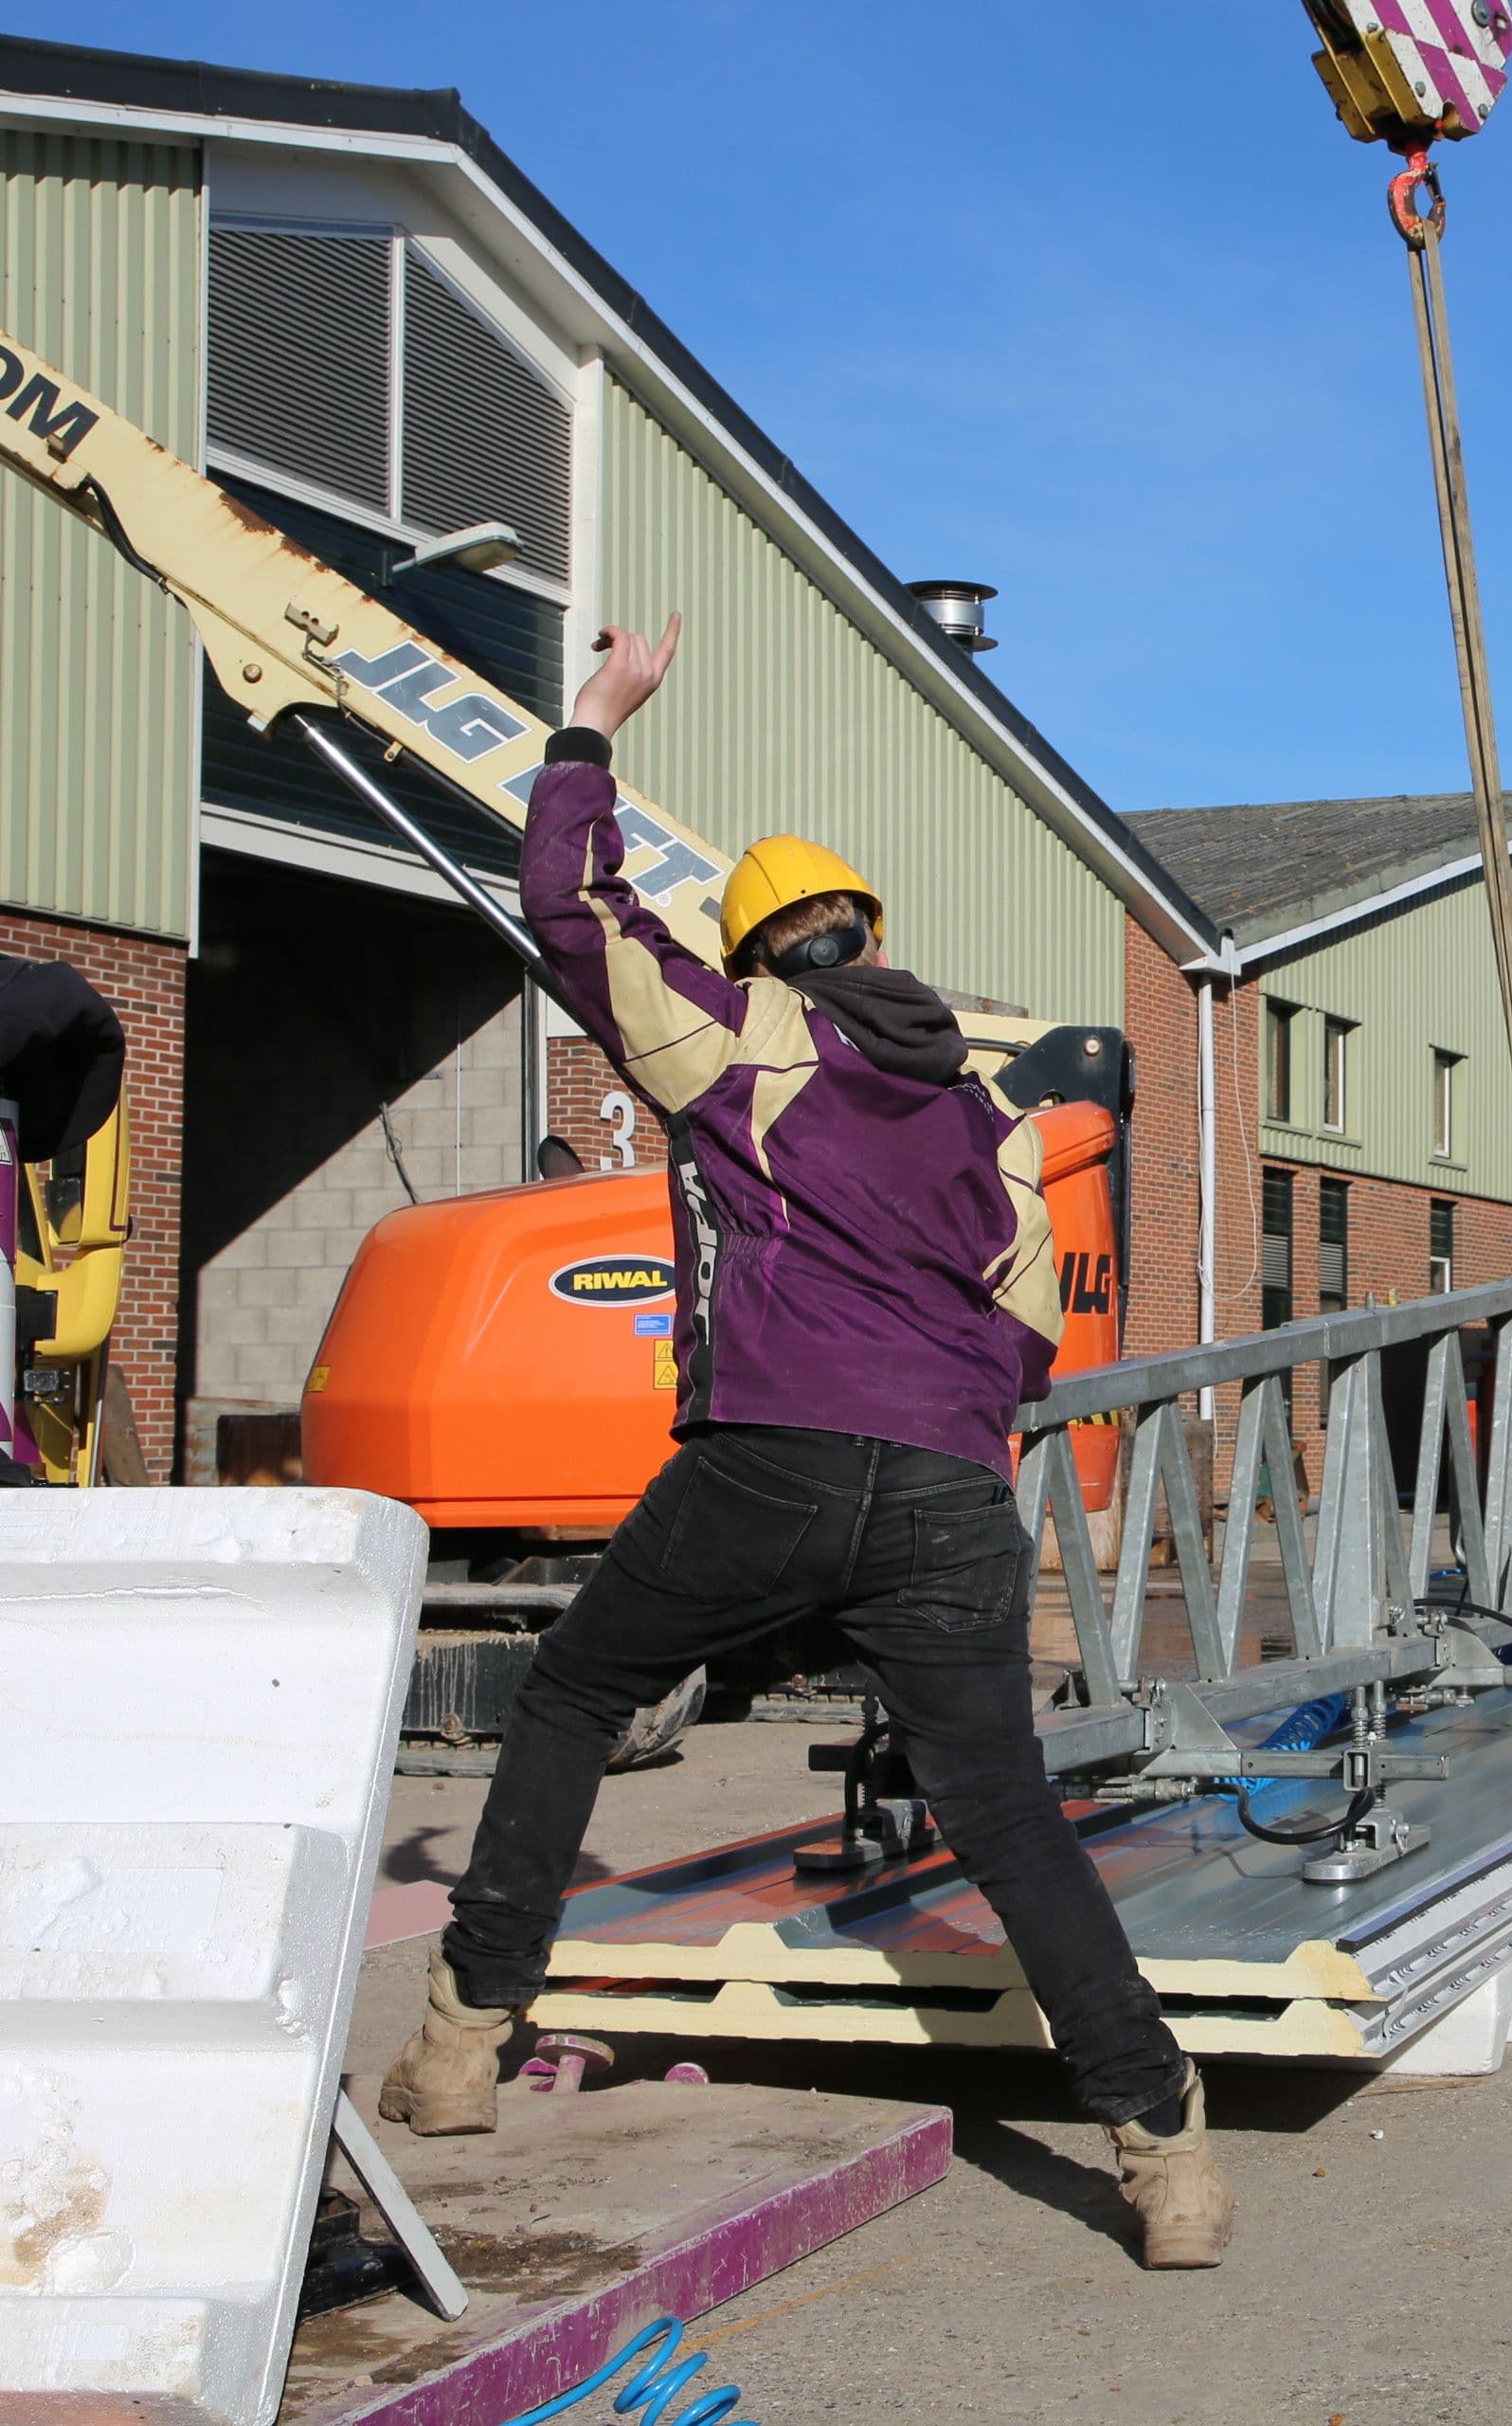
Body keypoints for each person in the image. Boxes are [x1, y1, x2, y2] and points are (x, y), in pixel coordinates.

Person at [379, 614, 1233, 2271]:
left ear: (762, 949)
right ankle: (1167, 2152)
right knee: (1006, 1815)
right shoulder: (990, 1117)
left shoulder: (743, 1039)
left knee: (571, 1694)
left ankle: (461, 2048)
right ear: (875, 938)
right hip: (944, 1486)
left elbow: (575, 916)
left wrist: (591, 731)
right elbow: (1028, 1329)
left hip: (768, 1458)